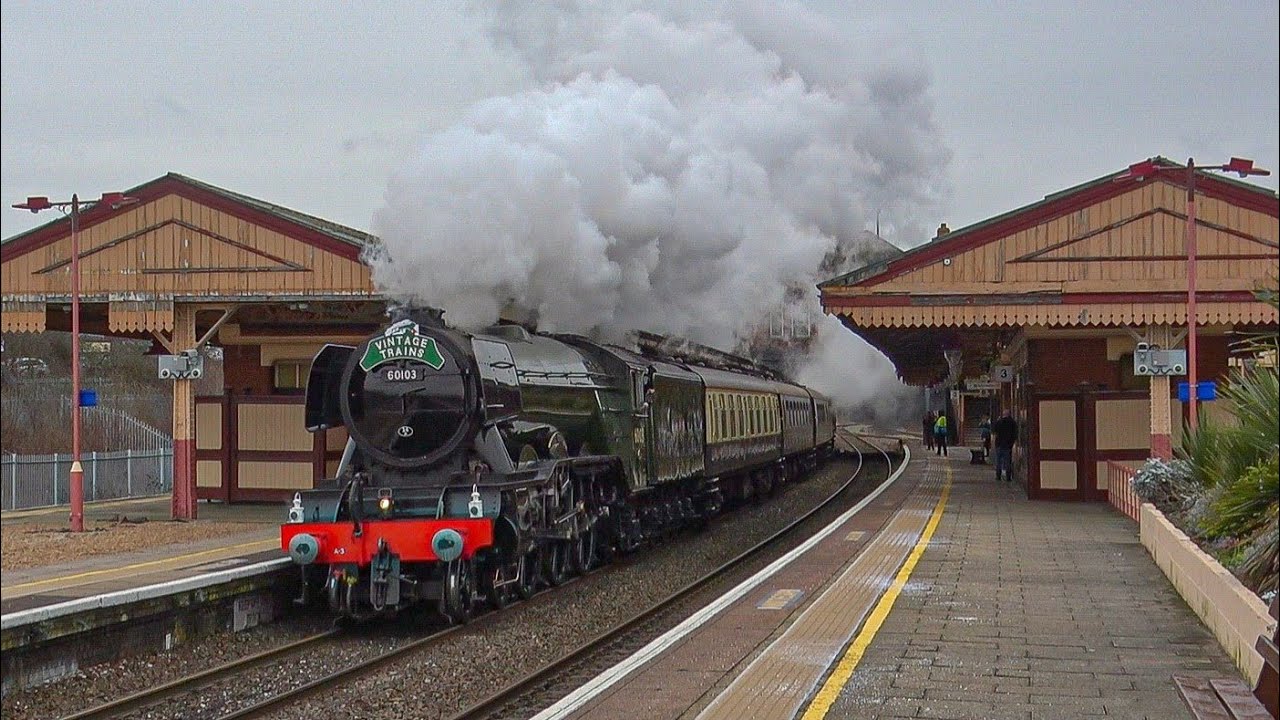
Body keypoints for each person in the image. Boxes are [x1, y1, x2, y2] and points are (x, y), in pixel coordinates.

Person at [992, 410, 1018, 482]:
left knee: (998, 461)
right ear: (1009, 414)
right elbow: (1015, 433)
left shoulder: (999, 422)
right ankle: (1008, 477)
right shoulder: (1012, 422)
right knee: (1007, 461)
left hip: (999, 444)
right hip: (1008, 445)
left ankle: (998, 476)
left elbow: (995, 431)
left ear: (1003, 414)